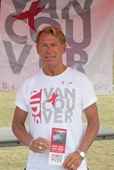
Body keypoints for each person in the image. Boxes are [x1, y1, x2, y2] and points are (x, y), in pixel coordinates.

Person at [12, 26, 99, 170]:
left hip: (73, 165)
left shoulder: (81, 81)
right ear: (38, 49)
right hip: (38, 165)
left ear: (63, 48)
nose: (49, 50)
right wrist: (30, 142)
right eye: (44, 45)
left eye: (54, 45)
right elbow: (16, 124)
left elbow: (94, 122)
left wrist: (80, 152)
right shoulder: (29, 84)